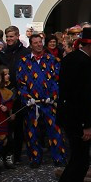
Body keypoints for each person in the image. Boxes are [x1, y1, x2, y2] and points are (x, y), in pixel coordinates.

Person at [51, 27, 91, 182]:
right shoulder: (83, 63)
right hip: (76, 119)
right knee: (80, 164)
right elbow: (82, 97)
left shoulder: (71, 59)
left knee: (76, 161)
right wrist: (86, 125)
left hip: (68, 117)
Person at [15, 33, 64, 168]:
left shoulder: (52, 59)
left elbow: (57, 80)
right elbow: (21, 82)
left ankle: (58, 157)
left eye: (40, 42)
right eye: (35, 42)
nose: (38, 44)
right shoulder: (24, 61)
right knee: (32, 131)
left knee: (54, 130)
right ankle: (35, 158)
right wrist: (26, 98)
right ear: (31, 45)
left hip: (49, 102)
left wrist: (53, 96)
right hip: (33, 104)